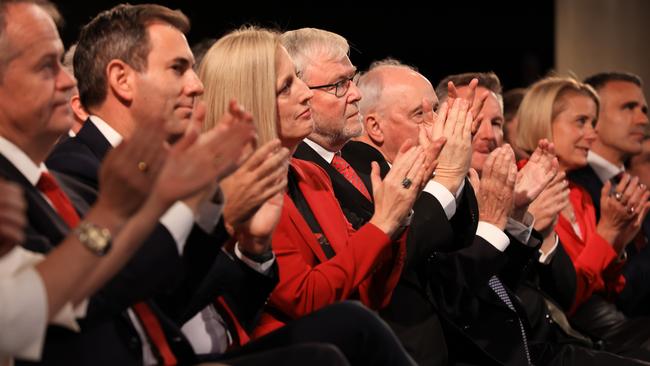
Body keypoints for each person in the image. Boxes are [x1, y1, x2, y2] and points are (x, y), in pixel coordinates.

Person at [0, 1, 240, 363]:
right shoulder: (68, 170)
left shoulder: (55, 183)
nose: (68, 82)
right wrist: (161, 207)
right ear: (121, 79)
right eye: (46, 66)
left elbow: (125, 289)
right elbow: (27, 317)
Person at [198, 26, 421, 365]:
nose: (304, 94)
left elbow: (369, 292)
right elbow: (305, 298)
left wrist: (396, 222)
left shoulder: (312, 174)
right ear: (251, 100)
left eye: (299, 81)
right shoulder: (238, 186)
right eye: (287, 86)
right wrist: (382, 223)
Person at [516, 75, 650, 361]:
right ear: (544, 123)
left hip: (598, 324)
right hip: (557, 336)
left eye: (593, 123)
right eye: (581, 122)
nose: (592, 134)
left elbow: (607, 288)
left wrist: (618, 244)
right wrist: (606, 236)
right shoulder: (523, 188)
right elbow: (568, 296)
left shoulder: (581, 194)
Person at [568, 72, 650, 317]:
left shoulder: (629, 182)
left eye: (644, 109)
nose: (642, 119)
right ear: (594, 118)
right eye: (628, 108)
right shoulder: (572, 185)